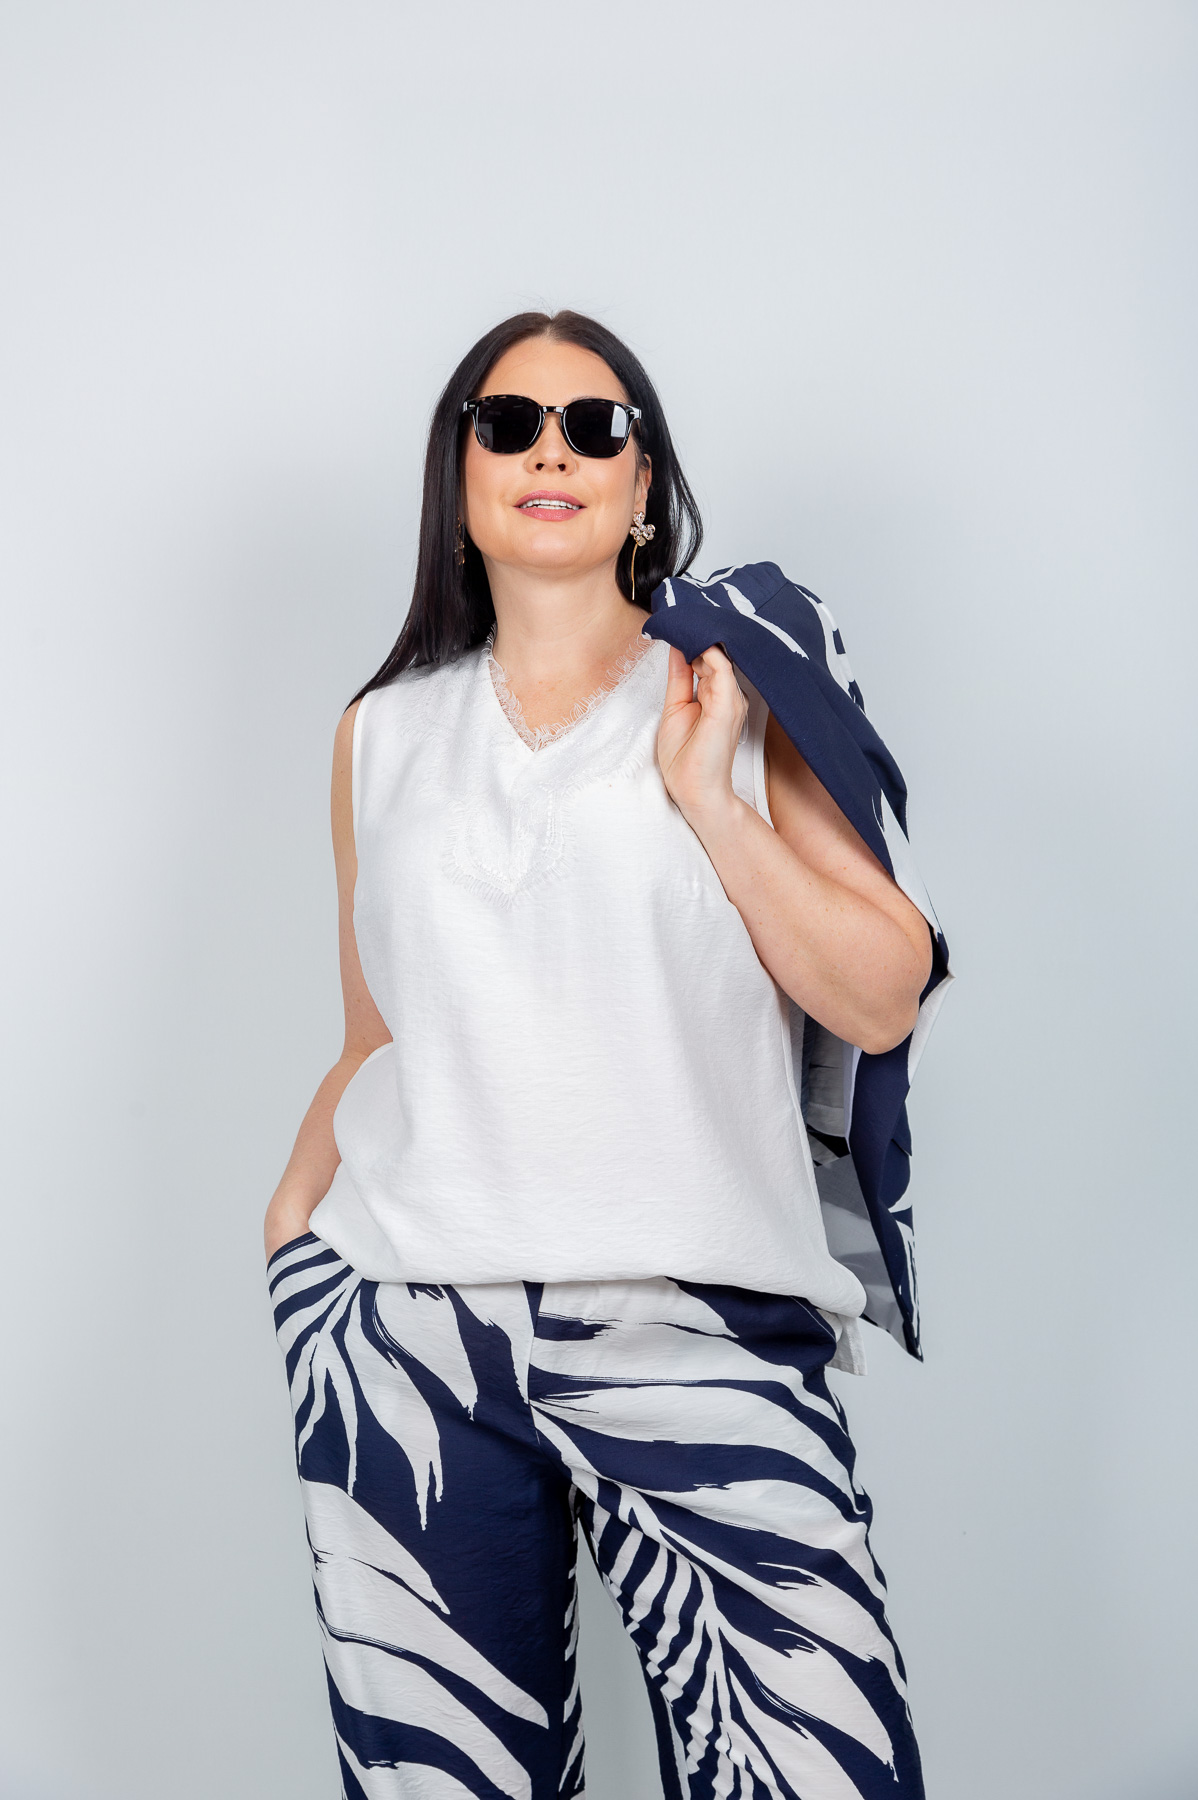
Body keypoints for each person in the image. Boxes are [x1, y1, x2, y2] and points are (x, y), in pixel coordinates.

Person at [266, 309, 941, 1800]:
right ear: (460, 478)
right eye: (509, 425)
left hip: (698, 1316)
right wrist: (294, 1249)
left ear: (644, 483)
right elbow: (377, 1033)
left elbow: (885, 994)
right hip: (413, 1331)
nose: (551, 452)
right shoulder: (379, 733)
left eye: (596, 425)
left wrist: (709, 797)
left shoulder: (738, 685)